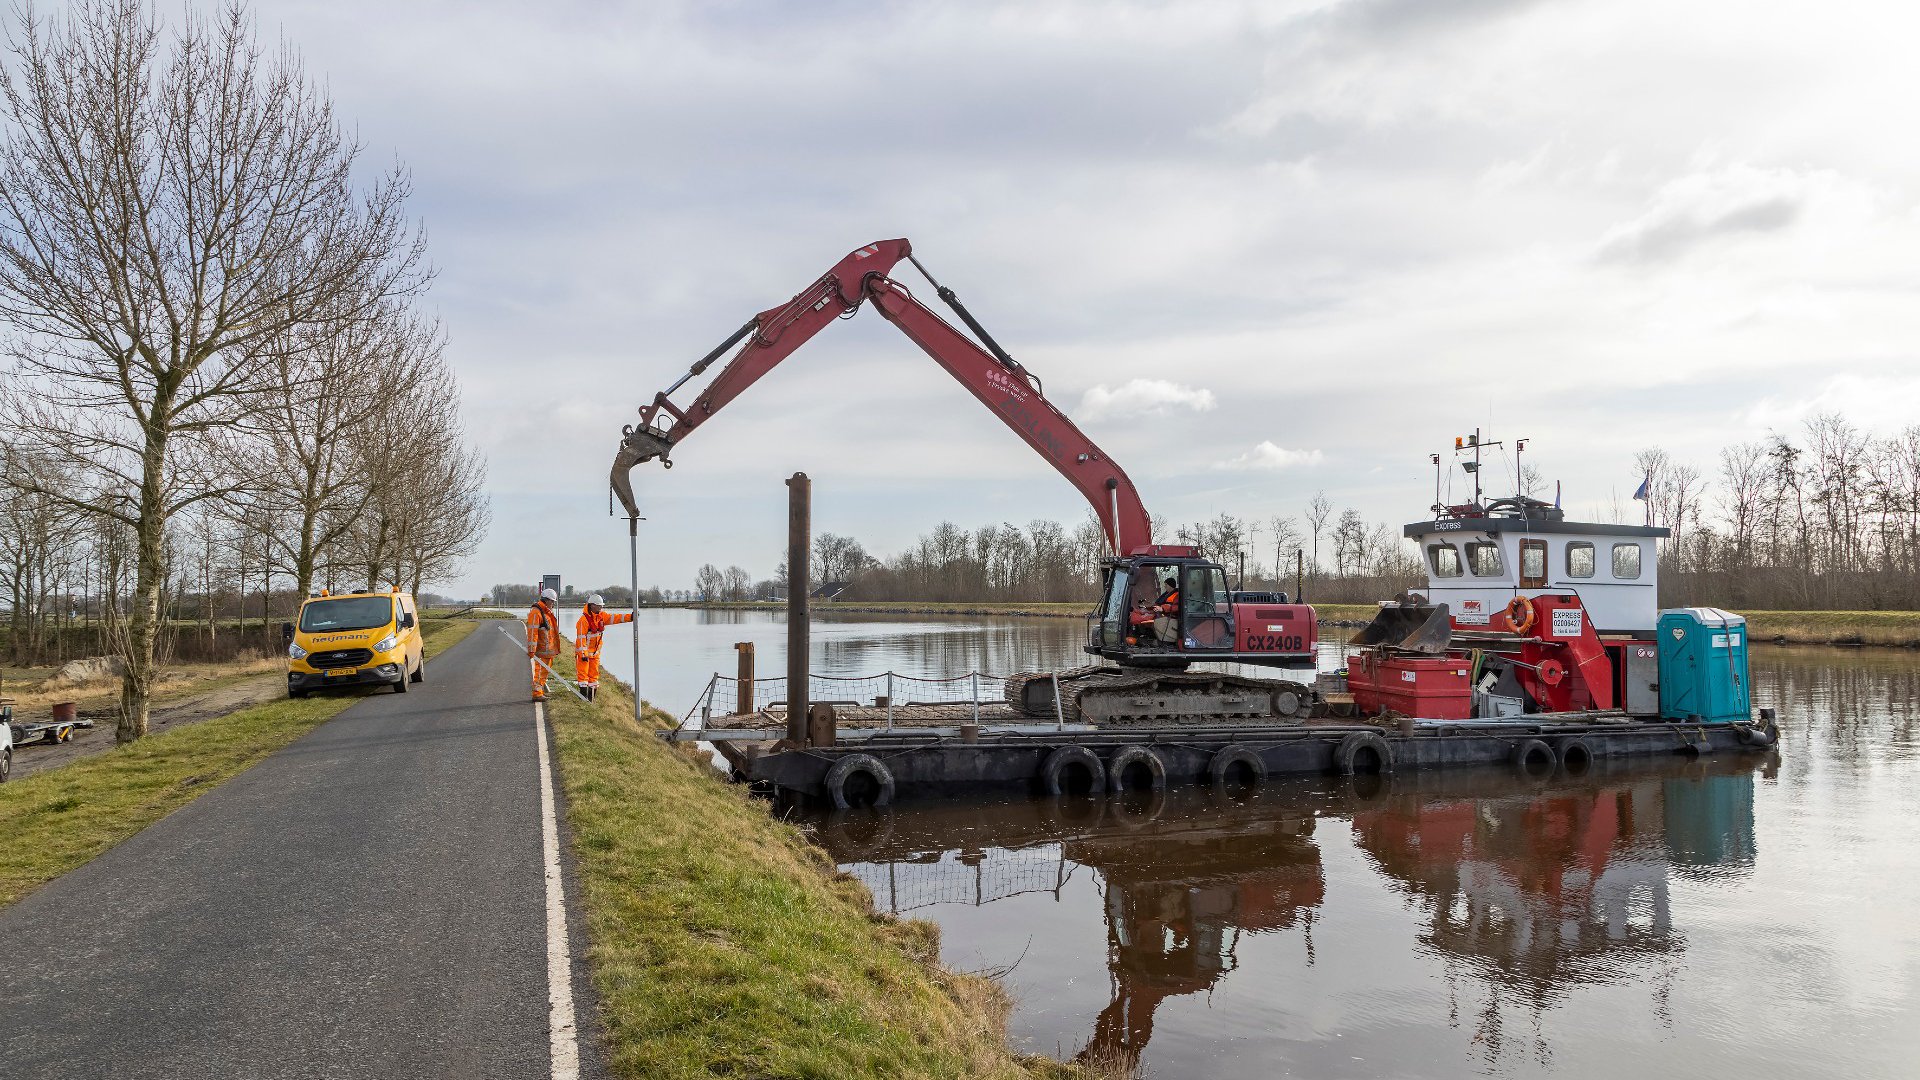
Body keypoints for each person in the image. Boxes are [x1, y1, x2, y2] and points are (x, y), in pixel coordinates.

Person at [573, 593, 633, 702]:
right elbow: (581, 639)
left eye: (601, 606)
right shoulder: (583, 620)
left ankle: (591, 700)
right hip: (585, 655)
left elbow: (616, 618)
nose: (601, 608)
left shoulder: (601, 616)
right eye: (599, 606)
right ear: (592, 605)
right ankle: (583, 699)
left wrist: (631, 617)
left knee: (593, 677)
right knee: (583, 677)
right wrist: (583, 655)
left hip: (595, 654)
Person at [525, 588, 563, 701]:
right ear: (546, 600)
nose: (553, 604)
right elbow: (532, 633)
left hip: (548, 651)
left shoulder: (546, 612)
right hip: (541, 650)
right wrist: (531, 650)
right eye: (552, 602)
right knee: (539, 672)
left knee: (544, 673)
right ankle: (537, 694)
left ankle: (540, 691)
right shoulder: (536, 613)